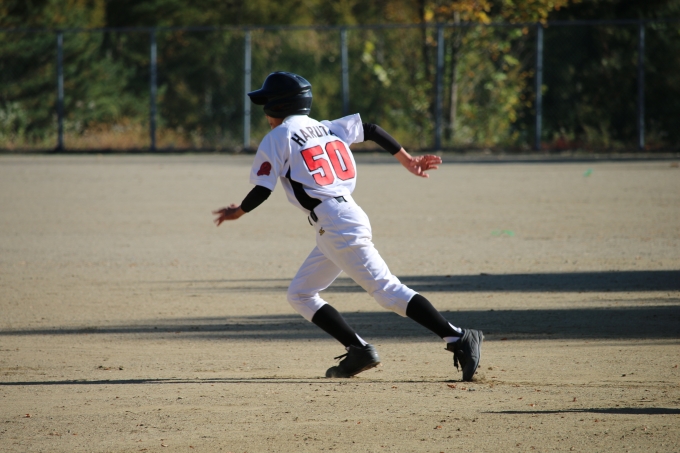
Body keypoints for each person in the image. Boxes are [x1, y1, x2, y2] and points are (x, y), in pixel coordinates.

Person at [213, 71, 483, 381]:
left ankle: (458, 336)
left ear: (278, 106)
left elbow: (263, 188)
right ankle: (358, 350)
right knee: (301, 294)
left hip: (336, 223)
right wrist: (407, 159)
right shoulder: (327, 127)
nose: (265, 115)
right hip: (341, 219)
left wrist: (238, 211)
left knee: (386, 290)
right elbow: (370, 129)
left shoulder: (278, 136)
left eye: (266, 107)